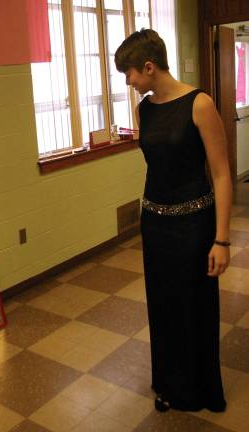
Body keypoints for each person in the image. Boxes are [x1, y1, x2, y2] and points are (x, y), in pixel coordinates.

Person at [115, 29, 232, 413]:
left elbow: (220, 175)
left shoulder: (199, 104)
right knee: (163, 307)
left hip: (195, 226)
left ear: (149, 67)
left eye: (129, 73)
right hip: (156, 223)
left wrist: (222, 239)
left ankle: (200, 388)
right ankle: (169, 383)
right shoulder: (144, 109)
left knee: (194, 307)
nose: (128, 82)